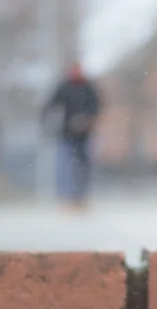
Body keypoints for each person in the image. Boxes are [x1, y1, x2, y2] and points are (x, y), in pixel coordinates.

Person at [41, 61, 101, 212]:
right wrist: (47, 122)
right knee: (65, 167)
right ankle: (66, 199)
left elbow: (96, 107)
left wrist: (86, 120)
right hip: (67, 135)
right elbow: (50, 105)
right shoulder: (64, 87)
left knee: (83, 168)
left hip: (85, 136)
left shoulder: (88, 88)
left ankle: (80, 199)